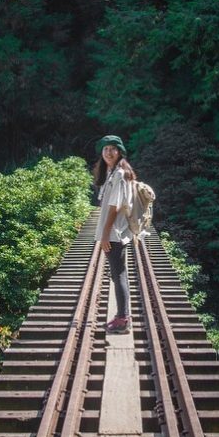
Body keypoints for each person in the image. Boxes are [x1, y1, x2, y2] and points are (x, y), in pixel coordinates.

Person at [93, 135, 136, 334]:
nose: (108, 152)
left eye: (112, 149)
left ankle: (122, 319)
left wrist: (104, 234)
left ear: (120, 152)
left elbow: (113, 207)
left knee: (118, 274)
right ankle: (123, 316)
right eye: (105, 149)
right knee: (119, 273)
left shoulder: (119, 174)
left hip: (114, 234)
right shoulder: (112, 172)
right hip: (115, 232)